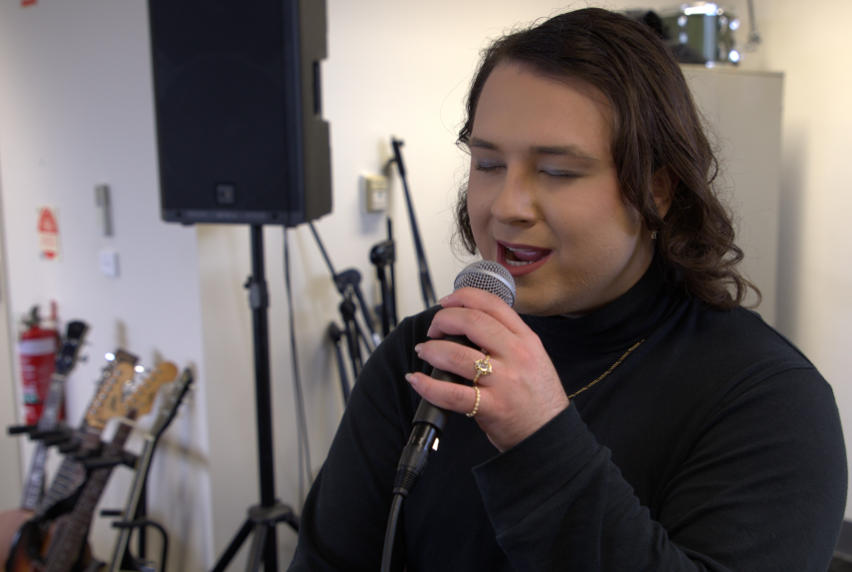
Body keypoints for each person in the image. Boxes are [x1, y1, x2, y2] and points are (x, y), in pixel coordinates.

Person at [288, 7, 846, 571]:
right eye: (487, 163)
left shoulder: (769, 400)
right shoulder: (427, 354)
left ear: (656, 188)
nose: (506, 206)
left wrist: (539, 440)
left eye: (557, 171)